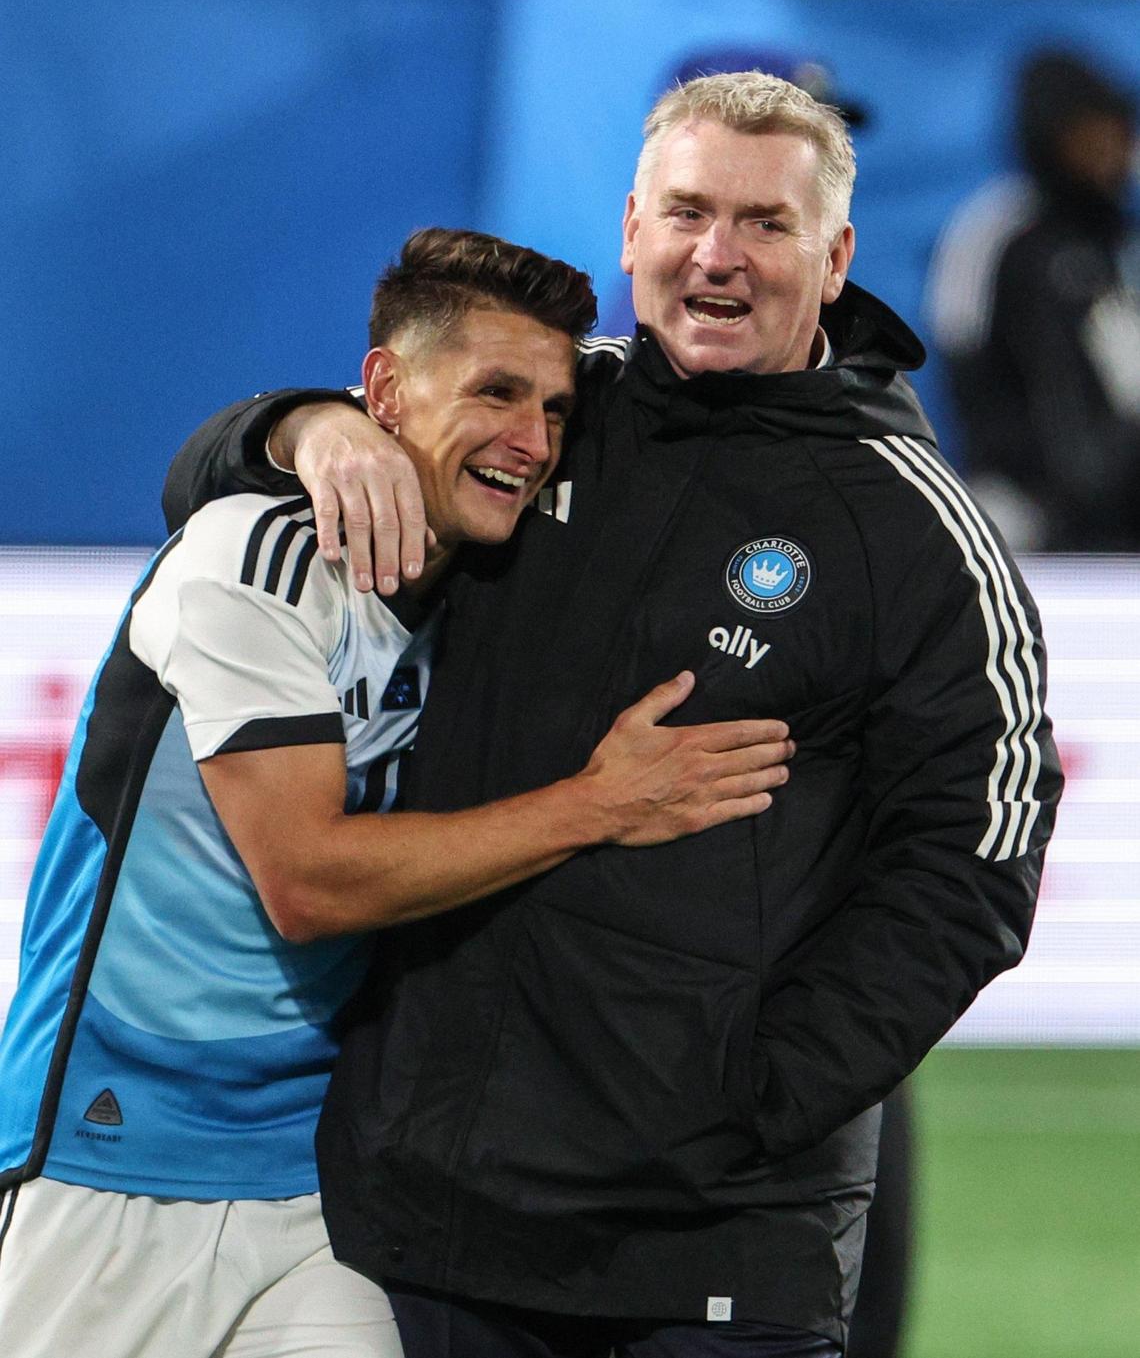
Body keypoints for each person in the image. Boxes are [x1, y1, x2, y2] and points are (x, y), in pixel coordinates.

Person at [163, 72, 1063, 1357]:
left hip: (715, 1247)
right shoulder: (538, 412)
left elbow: (980, 852)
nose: (717, 255)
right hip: (435, 1221)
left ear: (836, 257)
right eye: (687, 213)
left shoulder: (915, 530)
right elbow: (210, 485)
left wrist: (759, 1091)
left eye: (765, 223)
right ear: (633, 229)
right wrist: (302, 428)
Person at [0, 229, 797, 1358]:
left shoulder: (493, 595)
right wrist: (601, 804)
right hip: (108, 1158)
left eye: (555, 410)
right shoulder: (254, 562)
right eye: (495, 393)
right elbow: (308, 883)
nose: (532, 441)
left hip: (309, 1191)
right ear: (383, 391)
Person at [926, 47, 1140, 551]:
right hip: (1023, 495)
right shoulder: (993, 233)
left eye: (1115, 133)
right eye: (1088, 134)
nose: (1106, 151)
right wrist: (1036, 478)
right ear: (1049, 137)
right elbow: (961, 354)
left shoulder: (1121, 240)